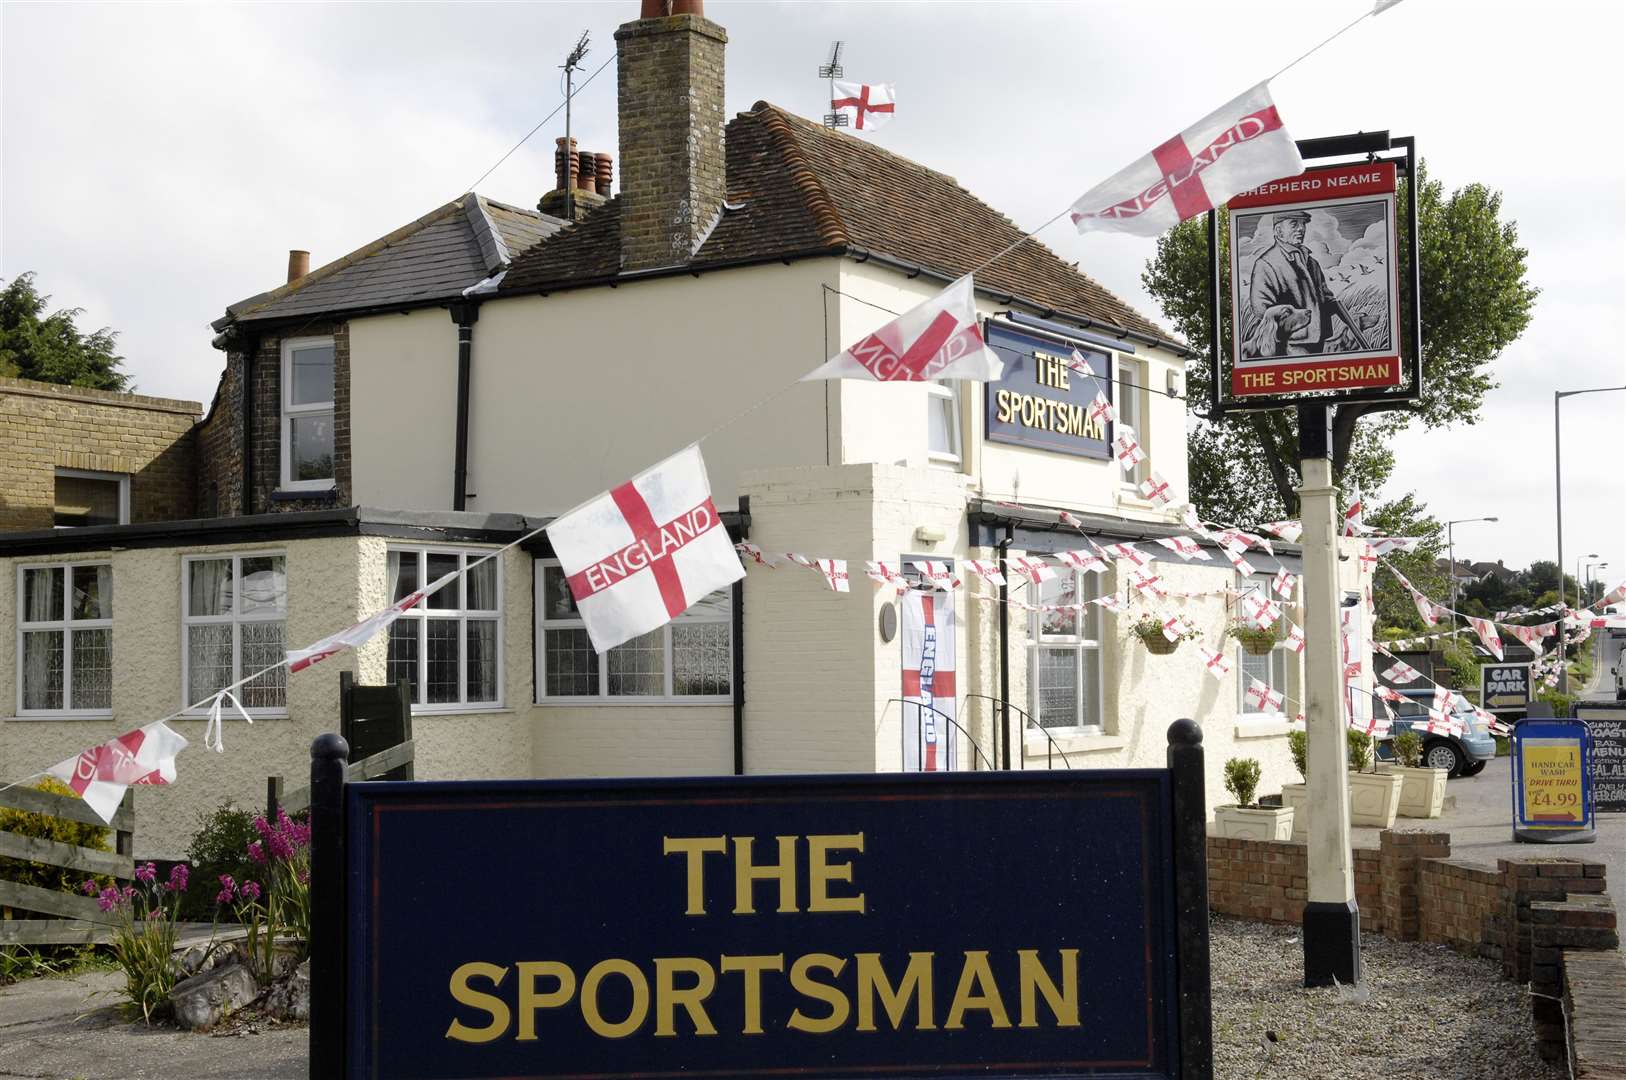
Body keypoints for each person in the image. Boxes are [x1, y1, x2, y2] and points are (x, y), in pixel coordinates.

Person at [1242, 210, 1342, 359]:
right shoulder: (1265, 264)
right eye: (1294, 224)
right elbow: (1262, 309)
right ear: (1278, 231)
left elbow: (1325, 296)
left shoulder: (1311, 262)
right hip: (1291, 346)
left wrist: (1335, 306)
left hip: (1319, 340)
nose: (1301, 228)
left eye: (1303, 224)